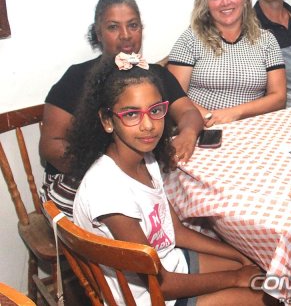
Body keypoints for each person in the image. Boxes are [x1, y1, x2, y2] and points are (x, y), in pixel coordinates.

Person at [70, 55, 270, 305]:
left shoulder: (146, 160)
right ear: (107, 121)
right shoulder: (109, 191)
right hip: (149, 296)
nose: (148, 125)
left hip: (168, 262)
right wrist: (235, 277)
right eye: (131, 114)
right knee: (264, 297)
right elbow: (161, 285)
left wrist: (239, 255)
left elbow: (176, 231)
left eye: (155, 111)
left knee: (262, 275)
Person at [40, 0, 203, 218]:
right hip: (79, 181)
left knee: (194, 205)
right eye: (113, 27)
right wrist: (109, 173)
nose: (126, 35)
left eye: (133, 25)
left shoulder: (154, 74)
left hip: (142, 175)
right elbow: (50, 145)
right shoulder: (77, 77)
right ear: (98, 33)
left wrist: (188, 133)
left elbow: (188, 112)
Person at [167, 0, 286, 126]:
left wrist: (234, 113)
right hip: (201, 126)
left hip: (252, 127)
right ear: (206, 3)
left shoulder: (267, 40)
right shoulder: (190, 39)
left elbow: (278, 97)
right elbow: (175, 96)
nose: (225, 2)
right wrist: (210, 118)